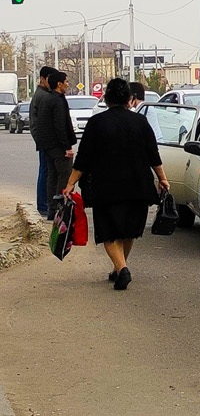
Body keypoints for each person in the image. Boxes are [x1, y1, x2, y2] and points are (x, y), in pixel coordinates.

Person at [61, 78, 170, 291]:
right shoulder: (141, 122)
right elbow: (153, 154)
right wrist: (163, 178)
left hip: (105, 187)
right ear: (130, 100)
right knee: (129, 230)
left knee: (108, 231)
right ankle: (120, 267)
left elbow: (83, 158)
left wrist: (70, 183)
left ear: (106, 98)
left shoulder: (96, 123)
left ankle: (121, 269)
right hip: (138, 186)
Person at [30, 69, 76, 219]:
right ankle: (60, 210)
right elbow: (60, 125)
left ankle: (52, 211)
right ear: (59, 84)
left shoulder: (46, 98)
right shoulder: (57, 100)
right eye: (66, 82)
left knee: (51, 176)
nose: (68, 85)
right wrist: (66, 147)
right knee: (64, 176)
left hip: (47, 146)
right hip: (57, 146)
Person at [31, 65, 55, 217]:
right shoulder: (42, 96)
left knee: (45, 170)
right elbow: (38, 122)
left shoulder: (43, 94)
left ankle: (44, 203)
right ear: (42, 79)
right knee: (46, 171)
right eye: (50, 79)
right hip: (44, 140)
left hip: (43, 139)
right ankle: (43, 204)